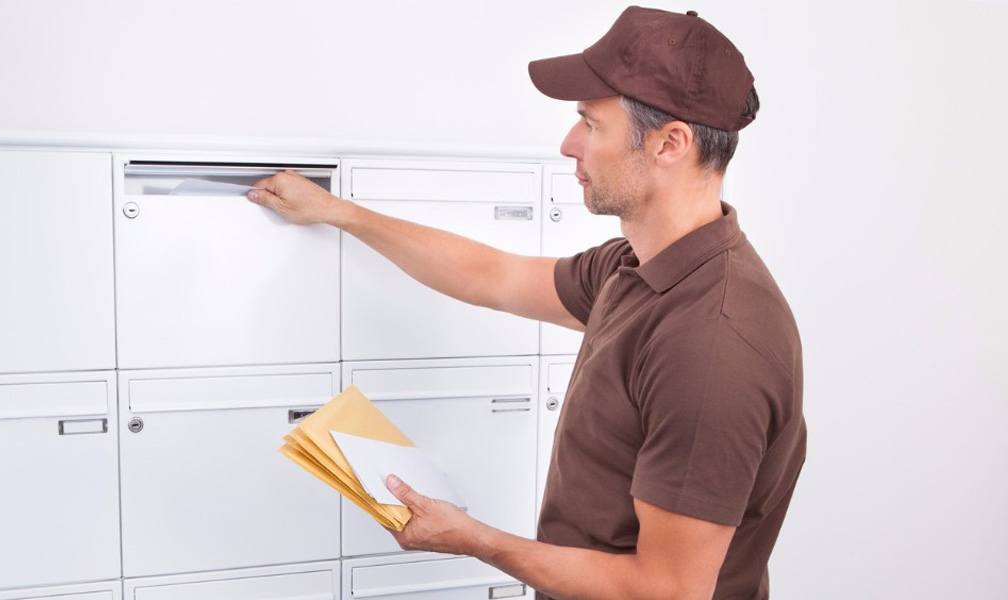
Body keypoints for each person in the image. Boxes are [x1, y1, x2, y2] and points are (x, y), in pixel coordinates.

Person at [247, 6, 805, 599]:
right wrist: (338, 212)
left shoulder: (711, 343)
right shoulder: (634, 268)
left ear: (670, 143)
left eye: (591, 123)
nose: (568, 144)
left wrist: (476, 540)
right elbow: (493, 275)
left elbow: (667, 590)